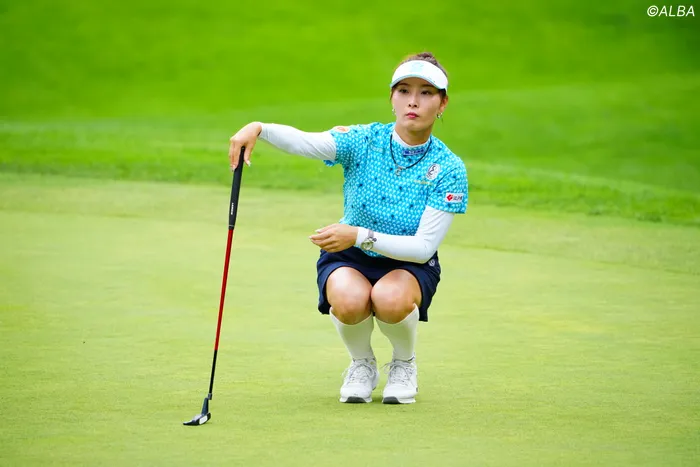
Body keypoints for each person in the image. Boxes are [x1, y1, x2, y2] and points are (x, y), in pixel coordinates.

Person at [228, 52, 468, 404]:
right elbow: (307, 142)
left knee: (389, 298)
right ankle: (362, 364)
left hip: (408, 263)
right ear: (392, 98)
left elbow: (423, 249)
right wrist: (259, 128)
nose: (413, 101)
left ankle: (404, 363)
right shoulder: (363, 140)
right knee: (349, 299)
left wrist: (357, 235)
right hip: (351, 255)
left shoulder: (448, 167)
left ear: (442, 103)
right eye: (404, 90)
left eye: (426, 92)